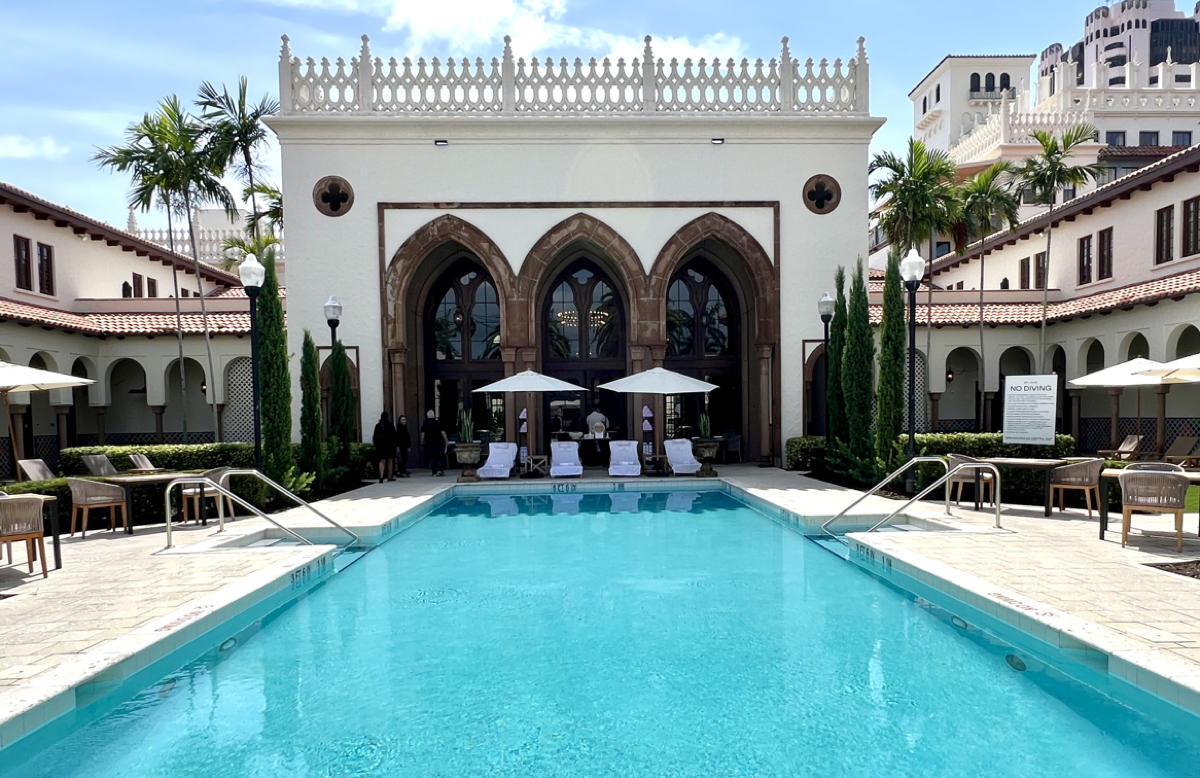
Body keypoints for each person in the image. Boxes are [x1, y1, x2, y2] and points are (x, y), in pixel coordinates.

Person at [421, 410, 448, 476]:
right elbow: (443, 433)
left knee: (432, 457)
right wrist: (446, 440)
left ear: (427, 416)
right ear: (434, 415)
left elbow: (423, 434)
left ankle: (434, 471)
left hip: (429, 443)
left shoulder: (425, 423)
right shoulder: (438, 422)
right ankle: (440, 470)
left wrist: (422, 441)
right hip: (438, 442)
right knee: (439, 456)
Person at [372, 411, 397, 482]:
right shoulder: (390, 425)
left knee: (382, 460)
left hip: (381, 446)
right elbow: (394, 436)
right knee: (390, 460)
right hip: (390, 446)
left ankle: (381, 476)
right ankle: (389, 476)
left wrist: (376, 445)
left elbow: (375, 437)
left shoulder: (378, 425)